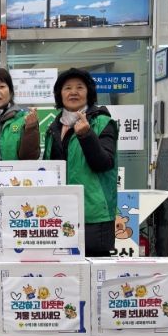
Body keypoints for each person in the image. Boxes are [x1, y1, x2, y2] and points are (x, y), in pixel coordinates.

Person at [43, 67, 118, 257]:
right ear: (60, 94)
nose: (73, 92)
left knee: (94, 268)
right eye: (67, 88)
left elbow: (104, 163)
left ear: (89, 92)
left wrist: (86, 136)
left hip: (93, 213)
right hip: (59, 212)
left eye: (80, 87)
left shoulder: (102, 122)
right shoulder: (53, 128)